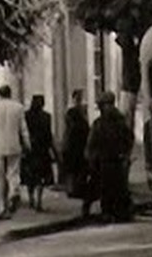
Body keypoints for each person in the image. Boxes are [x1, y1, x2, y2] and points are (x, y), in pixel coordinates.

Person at [85, 91, 134, 223]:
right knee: (105, 188)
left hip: (115, 159)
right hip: (104, 161)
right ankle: (108, 211)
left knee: (118, 188)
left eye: (105, 105)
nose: (105, 108)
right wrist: (91, 158)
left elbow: (128, 138)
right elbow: (91, 143)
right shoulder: (100, 124)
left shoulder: (118, 122)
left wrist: (126, 155)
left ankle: (118, 211)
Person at [0, 84, 30, 219]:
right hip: (14, 145)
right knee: (13, 172)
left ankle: (2, 205)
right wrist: (27, 144)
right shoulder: (18, 108)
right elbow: (23, 128)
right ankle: (13, 192)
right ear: (10, 94)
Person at [21, 95, 57, 211]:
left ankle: (31, 197)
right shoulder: (46, 117)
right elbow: (49, 136)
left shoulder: (26, 116)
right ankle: (39, 200)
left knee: (30, 176)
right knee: (41, 177)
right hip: (42, 150)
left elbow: (22, 133)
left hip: (30, 149)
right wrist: (54, 151)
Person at [62, 90, 91, 211]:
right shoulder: (71, 111)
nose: (79, 100)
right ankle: (72, 189)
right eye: (78, 98)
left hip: (79, 143)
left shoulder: (81, 110)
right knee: (73, 167)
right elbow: (72, 126)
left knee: (79, 167)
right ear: (74, 98)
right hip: (73, 143)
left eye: (80, 97)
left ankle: (78, 188)